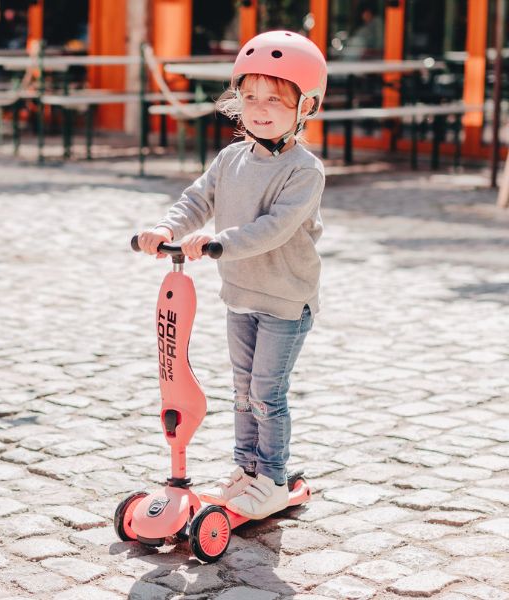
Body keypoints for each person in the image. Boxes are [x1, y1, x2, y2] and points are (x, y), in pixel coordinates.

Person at [137, 31, 327, 520]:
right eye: (249, 97)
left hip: (285, 301)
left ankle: (273, 479)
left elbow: (275, 228)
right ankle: (246, 470)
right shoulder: (229, 159)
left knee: (267, 392)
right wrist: (167, 228)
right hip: (240, 295)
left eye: (274, 99)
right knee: (242, 391)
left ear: (305, 106)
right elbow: (198, 200)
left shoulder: (304, 171)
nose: (259, 109)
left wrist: (222, 243)